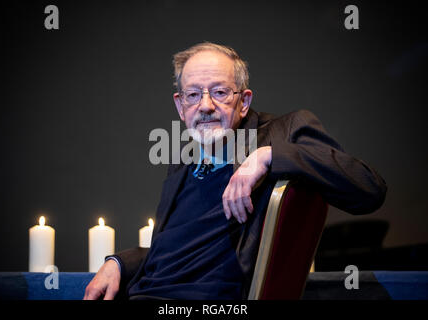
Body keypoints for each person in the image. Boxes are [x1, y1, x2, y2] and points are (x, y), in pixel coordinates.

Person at [83, 42, 387, 300]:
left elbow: (368, 189)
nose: (205, 106)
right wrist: (119, 263)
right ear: (180, 106)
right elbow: (176, 252)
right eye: (193, 94)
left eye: (219, 92)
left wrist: (268, 156)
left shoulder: (285, 131)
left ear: (243, 101)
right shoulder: (182, 162)